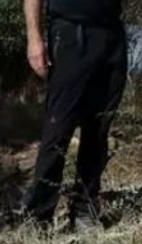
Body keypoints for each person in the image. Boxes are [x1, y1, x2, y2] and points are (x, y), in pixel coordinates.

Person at [19, 0, 127, 227]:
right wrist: (34, 38)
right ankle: (37, 217)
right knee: (59, 128)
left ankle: (84, 208)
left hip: (112, 34)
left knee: (99, 127)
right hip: (72, 32)